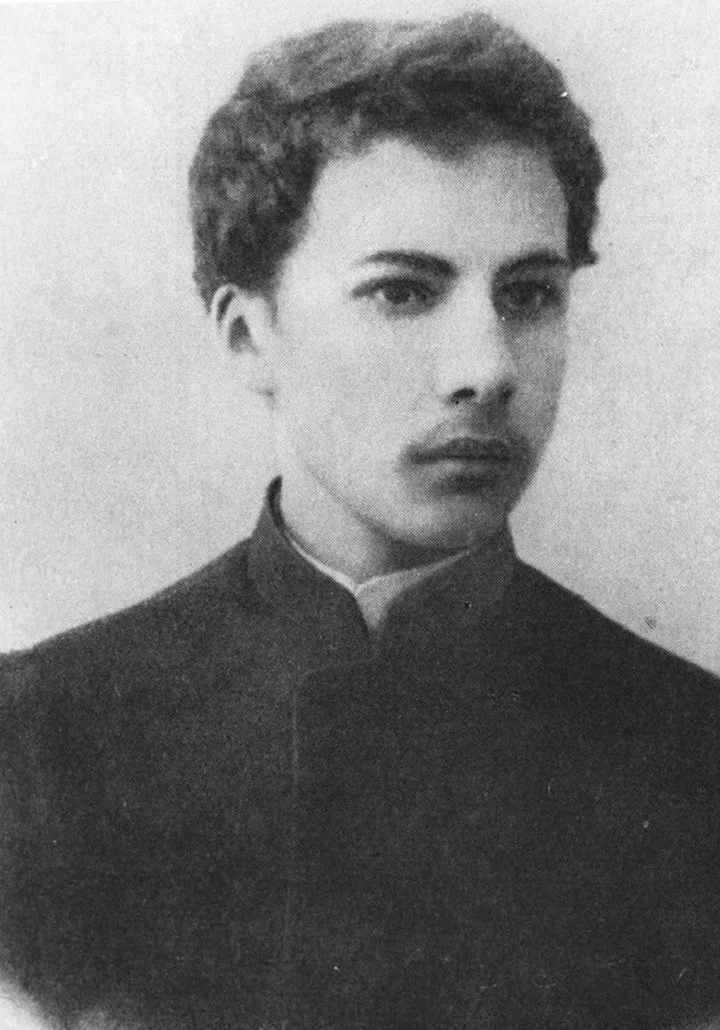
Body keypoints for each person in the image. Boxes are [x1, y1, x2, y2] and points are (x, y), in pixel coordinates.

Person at [1, 10, 719, 1030]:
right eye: (403, 292)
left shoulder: (693, 754)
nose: (489, 369)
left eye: (529, 294)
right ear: (248, 336)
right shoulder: (40, 742)